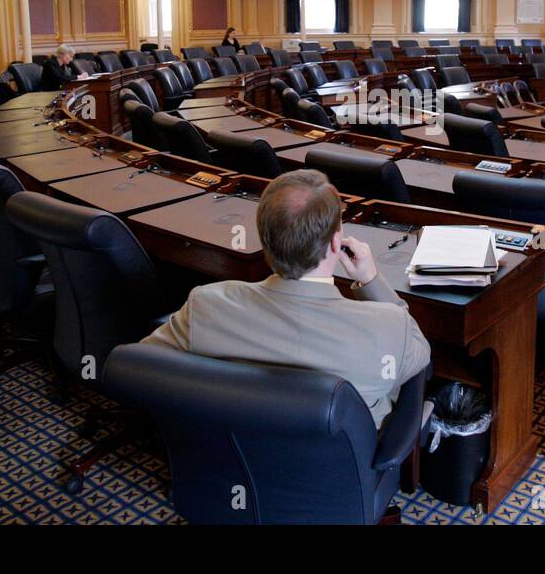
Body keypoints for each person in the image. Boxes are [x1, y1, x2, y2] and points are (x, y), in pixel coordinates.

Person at [142, 169, 430, 430]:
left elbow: (141, 364)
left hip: (231, 455)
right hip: (337, 472)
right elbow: (420, 356)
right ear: (335, 243)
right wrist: (369, 281)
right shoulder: (387, 325)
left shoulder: (205, 305)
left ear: (264, 242)